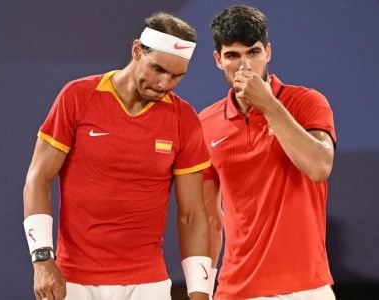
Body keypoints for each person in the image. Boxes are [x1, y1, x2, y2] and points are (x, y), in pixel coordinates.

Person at [23, 12, 213, 300]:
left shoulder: (183, 118)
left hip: (147, 284)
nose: (165, 83)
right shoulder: (77, 96)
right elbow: (38, 178)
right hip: (72, 280)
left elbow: (192, 216)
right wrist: (41, 260)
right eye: (158, 69)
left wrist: (200, 291)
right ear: (137, 50)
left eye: (177, 76)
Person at [199, 5, 337, 300]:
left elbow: (319, 166)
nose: (245, 66)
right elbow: (210, 218)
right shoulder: (206, 124)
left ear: (268, 52)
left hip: (306, 288)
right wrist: (202, 289)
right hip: (236, 290)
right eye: (232, 56)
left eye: (253, 52)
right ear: (217, 60)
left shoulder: (306, 102)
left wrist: (269, 104)